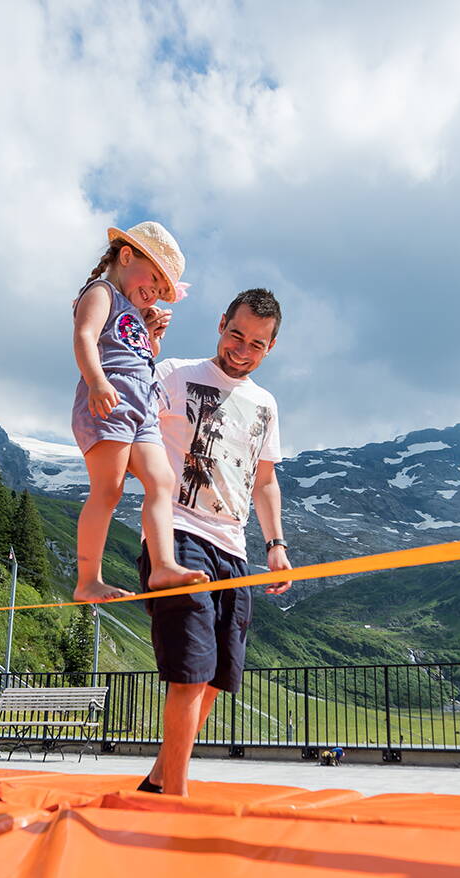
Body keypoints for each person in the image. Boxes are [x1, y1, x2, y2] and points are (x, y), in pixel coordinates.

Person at [136, 288, 291, 796]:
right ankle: (176, 796)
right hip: (178, 534)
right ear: (221, 324)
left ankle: (160, 778)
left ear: (271, 347)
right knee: (189, 672)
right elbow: (128, 407)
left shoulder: (266, 404)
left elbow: (264, 480)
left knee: (215, 678)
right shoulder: (176, 374)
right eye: (235, 335)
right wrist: (145, 348)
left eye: (257, 344)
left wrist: (276, 545)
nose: (242, 350)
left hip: (235, 548)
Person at [70, 221, 209, 602]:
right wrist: (97, 381)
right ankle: (88, 580)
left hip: (142, 406)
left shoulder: (133, 310)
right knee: (108, 489)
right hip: (110, 399)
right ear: (127, 256)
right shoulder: (101, 293)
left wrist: (152, 337)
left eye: (163, 292)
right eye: (153, 281)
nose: (155, 295)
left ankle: (163, 565)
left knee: (162, 480)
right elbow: (84, 336)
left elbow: (141, 356)